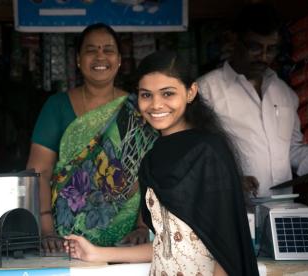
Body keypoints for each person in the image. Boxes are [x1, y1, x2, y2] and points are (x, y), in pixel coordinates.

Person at [64, 50, 259, 276]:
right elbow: (166, 246)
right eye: (146, 95)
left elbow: (227, 249)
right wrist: (96, 253)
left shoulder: (208, 152)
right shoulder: (151, 158)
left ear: (190, 92)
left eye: (167, 94)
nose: (156, 105)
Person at [26, 23, 157, 251]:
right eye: (91, 50)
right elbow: (39, 171)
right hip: (64, 241)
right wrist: (47, 230)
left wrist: (142, 226)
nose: (100, 56)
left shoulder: (139, 108)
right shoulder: (57, 107)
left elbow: (149, 171)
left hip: (127, 242)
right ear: (78, 60)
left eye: (108, 50)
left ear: (118, 60)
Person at [198, 3, 308, 197]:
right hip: (235, 214)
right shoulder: (206, 90)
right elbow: (193, 156)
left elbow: (292, 149)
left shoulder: (284, 93)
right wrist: (230, 178)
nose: (264, 57)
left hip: (283, 212)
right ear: (233, 40)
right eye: (255, 47)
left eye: (272, 49)